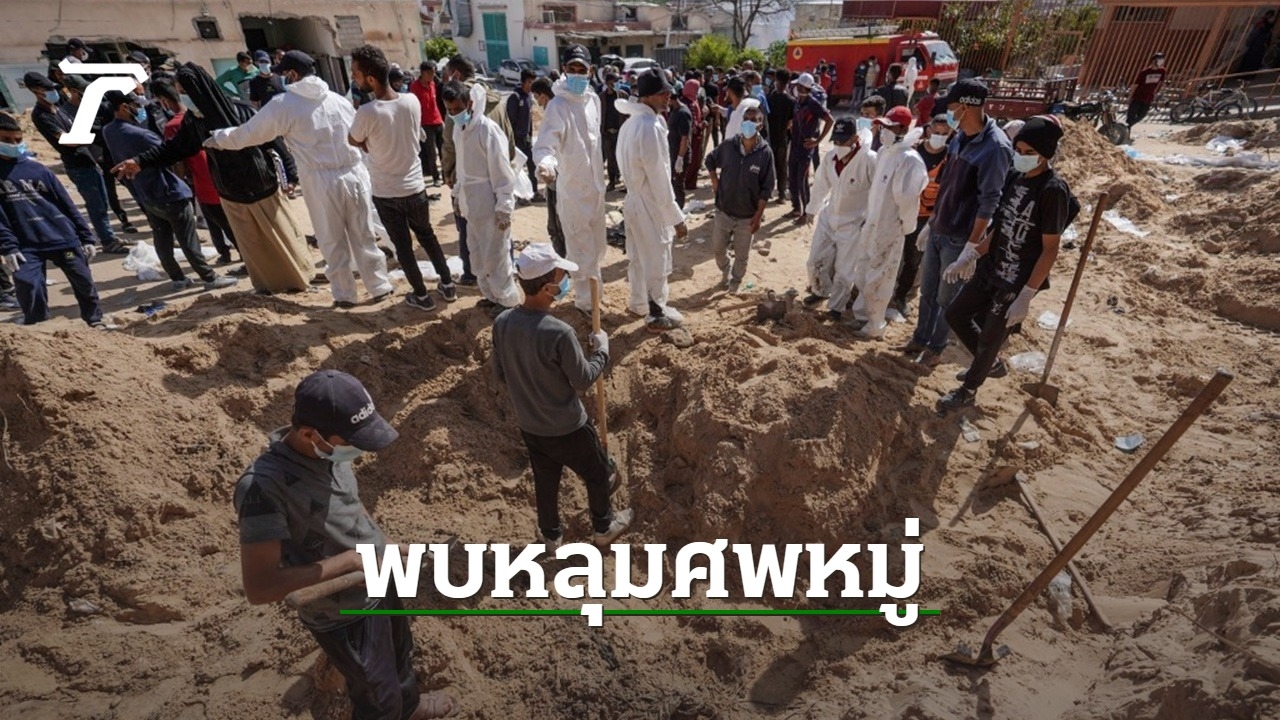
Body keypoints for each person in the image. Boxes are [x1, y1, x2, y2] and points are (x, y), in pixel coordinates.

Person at [233, 370, 460, 719]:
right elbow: (260, 587)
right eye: (351, 441)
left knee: (401, 658)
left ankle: (410, 706)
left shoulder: (328, 453)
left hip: (378, 581)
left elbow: (352, 508)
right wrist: (350, 562)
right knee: (377, 696)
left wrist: (386, 547)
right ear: (309, 434)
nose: (357, 449)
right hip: (343, 614)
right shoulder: (262, 488)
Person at [204, 51, 392, 308]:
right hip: (355, 174)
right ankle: (379, 285)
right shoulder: (338, 100)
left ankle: (345, 295)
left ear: (292, 74)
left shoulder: (284, 104)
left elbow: (250, 133)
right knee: (364, 234)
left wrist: (219, 138)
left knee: (331, 238)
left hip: (321, 180)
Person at [114, 62, 315, 295]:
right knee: (252, 246)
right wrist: (139, 161)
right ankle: (269, 286)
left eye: (185, 91)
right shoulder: (195, 121)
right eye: (180, 92)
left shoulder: (242, 110)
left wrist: (291, 173)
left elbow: (275, 142)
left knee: (281, 237)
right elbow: (174, 149)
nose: (183, 97)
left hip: (262, 185)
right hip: (230, 191)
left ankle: (299, 280)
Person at [492, 244, 634, 549]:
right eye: (560, 276)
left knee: (546, 480)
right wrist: (602, 351)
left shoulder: (502, 323)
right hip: (568, 427)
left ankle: (551, 535)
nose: (565, 281)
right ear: (547, 288)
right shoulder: (559, 333)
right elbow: (583, 379)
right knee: (598, 473)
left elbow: (501, 374)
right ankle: (604, 527)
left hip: (531, 426)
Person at [937, 116, 1071, 413]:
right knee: (956, 314)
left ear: (1045, 153)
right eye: (1018, 150)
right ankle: (991, 365)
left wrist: (1027, 294)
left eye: (1028, 152)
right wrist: (972, 255)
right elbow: (1001, 227)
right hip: (992, 267)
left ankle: (968, 389)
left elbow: (1050, 249)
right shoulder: (1014, 177)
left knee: (991, 336)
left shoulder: (1052, 191)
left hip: (1016, 279)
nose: (1021, 156)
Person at [905, 78, 1013, 367]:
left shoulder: (995, 147)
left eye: (951, 106)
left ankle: (936, 347)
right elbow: (947, 185)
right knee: (928, 292)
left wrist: (971, 247)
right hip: (939, 228)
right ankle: (920, 337)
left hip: (959, 237)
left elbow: (990, 201)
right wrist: (932, 222)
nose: (948, 112)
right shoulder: (959, 138)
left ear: (966, 106)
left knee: (947, 299)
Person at [348, 45, 456, 312]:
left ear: (370, 79)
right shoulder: (411, 101)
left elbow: (353, 139)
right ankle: (447, 284)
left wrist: (369, 143)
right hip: (415, 188)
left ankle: (421, 296)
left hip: (387, 193)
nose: (354, 79)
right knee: (427, 236)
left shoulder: (367, 112)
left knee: (404, 247)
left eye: (356, 74)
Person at [102, 91, 238, 292]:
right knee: (188, 240)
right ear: (124, 107)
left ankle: (178, 279)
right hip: (169, 192)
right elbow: (170, 155)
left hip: (146, 194)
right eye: (135, 106)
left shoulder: (109, 131)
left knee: (162, 238)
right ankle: (209, 278)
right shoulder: (142, 135)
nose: (140, 110)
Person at [0, 113, 107, 328]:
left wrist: (86, 236)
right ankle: (39, 327)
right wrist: (8, 247)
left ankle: (95, 321)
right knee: (28, 286)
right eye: (6, 140)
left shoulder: (39, 170)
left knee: (84, 281)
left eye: (18, 140)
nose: (14, 145)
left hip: (62, 237)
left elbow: (67, 204)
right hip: (25, 245)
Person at [533, 45, 607, 316]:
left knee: (597, 248)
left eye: (581, 69)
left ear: (591, 71)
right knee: (581, 251)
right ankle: (586, 304)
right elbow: (545, 144)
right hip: (574, 193)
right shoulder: (558, 105)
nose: (577, 74)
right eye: (572, 69)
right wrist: (546, 165)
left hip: (596, 190)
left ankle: (596, 295)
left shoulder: (593, 100)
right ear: (564, 70)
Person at [616, 70, 690, 331]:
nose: (668, 95)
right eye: (662, 92)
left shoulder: (632, 123)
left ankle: (639, 303)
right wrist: (676, 217)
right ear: (647, 97)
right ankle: (657, 313)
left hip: (634, 199)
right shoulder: (648, 127)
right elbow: (658, 178)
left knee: (638, 256)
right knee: (657, 257)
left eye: (669, 91)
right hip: (649, 202)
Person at [23, 72, 129, 254]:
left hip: (87, 159)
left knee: (102, 203)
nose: (53, 92)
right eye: (47, 89)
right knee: (96, 205)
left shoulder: (57, 109)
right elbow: (67, 139)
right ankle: (107, 241)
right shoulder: (41, 115)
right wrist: (92, 136)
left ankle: (109, 236)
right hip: (78, 165)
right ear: (36, 91)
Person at [847, 106, 928, 339]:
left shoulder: (909, 160)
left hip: (890, 227)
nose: (884, 131)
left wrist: (905, 227)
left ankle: (875, 324)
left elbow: (908, 199)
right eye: (883, 126)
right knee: (864, 270)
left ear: (903, 129)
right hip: (873, 222)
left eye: (890, 127)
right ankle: (862, 316)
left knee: (880, 276)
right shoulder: (884, 152)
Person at [442, 80, 522, 315]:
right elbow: (463, 169)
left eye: (458, 109)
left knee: (497, 257)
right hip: (471, 207)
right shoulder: (459, 129)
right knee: (477, 255)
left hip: (490, 205)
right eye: (450, 110)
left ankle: (507, 302)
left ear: (469, 103)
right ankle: (492, 296)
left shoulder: (487, 130)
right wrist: (457, 194)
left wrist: (504, 207)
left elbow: (503, 172)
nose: (454, 114)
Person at [150, 79, 238, 265]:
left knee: (217, 221)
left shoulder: (173, 126)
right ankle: (232, 254)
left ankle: (235, 255)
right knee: (227, 219)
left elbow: (178, 162)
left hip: (203, 180)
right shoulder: (202, 115)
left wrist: (179, 183)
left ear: (164, 101)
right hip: (223, 175)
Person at [802, 117, 875, 316]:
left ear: (855, 139)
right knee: (815, 260)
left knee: (844, 269)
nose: (839, 146)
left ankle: (836, 306)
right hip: (829, 217)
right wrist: (812, 209)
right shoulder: (830, 158)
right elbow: (821, 184)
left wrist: (870, 220)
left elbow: (877, 193)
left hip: (853, 223)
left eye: (843, 141)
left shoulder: (869, 160)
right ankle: (820, 290)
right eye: (836, 141)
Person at [704, 101, 774, 293]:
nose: (749, 123)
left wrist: (758, 216)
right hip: (724, 210)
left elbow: (767, 188)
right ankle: (725, 270)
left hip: (747, 216)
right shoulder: (729, 146)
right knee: (718, 249)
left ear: (760, 125)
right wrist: (714, 180)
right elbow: (710, 159)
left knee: (742, 256)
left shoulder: (765, 153)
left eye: (754, 120)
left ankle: (735, 281)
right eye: (746, 119)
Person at [890, 113, 952, 321]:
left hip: (925, 217)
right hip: (899, 211)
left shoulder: (950, 158)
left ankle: (900, 296)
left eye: (944, 133)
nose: (939, 136)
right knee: (889, 252)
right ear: (928, 130)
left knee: (913, 259)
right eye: (936, 132)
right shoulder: (912, 151)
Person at [788, 74, 834, 224]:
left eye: (797, 86)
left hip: (805, 149)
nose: (794, 87)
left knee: (802, 182)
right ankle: (796, 208)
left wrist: (818, 140)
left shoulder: (813, 104)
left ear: (802, 87)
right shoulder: (798, 101)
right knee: (792, 179)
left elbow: (829, 120)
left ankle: (806, 214)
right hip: (795, 146)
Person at [530, 78, 567, 258]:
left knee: (560, 224)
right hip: (553, 177)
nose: (536, 101)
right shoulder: (553, 110)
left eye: (537, 97)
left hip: (560, 178)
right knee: (554, 224)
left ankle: (564, 259)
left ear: (544, 96)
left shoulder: (557, 111)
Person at [507, 69, 541, 202]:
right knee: (518, 169)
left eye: (533, 82)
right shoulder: (515, 97)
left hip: (527, 140)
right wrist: (511, 142)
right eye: (529, 82)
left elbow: (530, 120)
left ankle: (534, 192)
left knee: (533, 166)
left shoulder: (529, 97)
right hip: (516, 141)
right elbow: (509, 122)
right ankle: (520, 196)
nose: (531, 85)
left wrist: (530, 136)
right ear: (523, 82)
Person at [409, 62, 445, 186]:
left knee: (443, 150)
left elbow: (436, 104)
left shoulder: (433, 84)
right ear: (423, 73)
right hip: (425, 123)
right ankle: (436, 177)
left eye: (434, 73)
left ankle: (446, 175)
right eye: (430, 73)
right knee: (431, 153)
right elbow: (413, 107)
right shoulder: (415, 87)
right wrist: (418, 125)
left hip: (437, 121)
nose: (432, 75)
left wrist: (442, 120)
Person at [767, 69, 796, 205]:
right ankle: (781, 194)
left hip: (770, 138)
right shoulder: (791, 100)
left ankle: (768, 192)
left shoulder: (769, 98)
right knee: (782, 166)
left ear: (776, 80)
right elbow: (791, 122)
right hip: (782, 138)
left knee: (769, 166)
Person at [666, 86, 693, 210]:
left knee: (678, 184)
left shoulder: (682, 113)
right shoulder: (674, 110)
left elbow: (684, 137)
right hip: (673, 152)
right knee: (673, 183)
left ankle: (679, 210)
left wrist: (680, 158)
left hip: (680, 155)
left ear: (671, 99)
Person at [1127, 52, 1167, 128]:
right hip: (1138, 96)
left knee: (1142, 115)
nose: (1162, 62)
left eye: (1162, 60)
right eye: (1160, 60)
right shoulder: (1144, 72)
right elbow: (1136, 85)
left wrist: (1158, 92)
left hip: (1148, 97)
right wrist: (1130, 96)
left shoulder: (1162, 71)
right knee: (1131, 115)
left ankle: (1127, 126)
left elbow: (1162, 82)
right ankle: (1127, 128)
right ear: (1154, 61)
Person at [678, 78, 705, 192]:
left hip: (687, 136)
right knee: (693, 160)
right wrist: (702, 125)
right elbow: (693, 125)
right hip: (692, 138)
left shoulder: (685, 100)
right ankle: (689, 183)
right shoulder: (690, 104)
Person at [600, 72, 624, 191]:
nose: (614, 85)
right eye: (612, 82)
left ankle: (619, 176)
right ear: (607, 83)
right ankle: (612, 181)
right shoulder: (601, 97)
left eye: (616, 82)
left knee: (620, 156)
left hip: (620, 132)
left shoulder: (622, 95)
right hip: (607, 133)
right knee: (610, 158)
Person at [1237, 10, 1276, 75]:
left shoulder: (1268, 25)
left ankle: (1249, 74)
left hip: (1260, 47)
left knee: (1254, 61)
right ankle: (1245, 74)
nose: (1272, 18)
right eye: (1271, 16)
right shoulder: (1262, 23)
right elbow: (1254, 33)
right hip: (1256, 45)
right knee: (1250, 60)